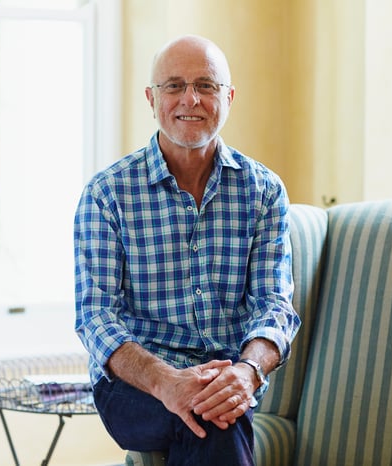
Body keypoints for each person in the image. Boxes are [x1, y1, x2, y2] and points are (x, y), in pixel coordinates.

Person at [73, 34, 300, 465]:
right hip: (132, 387)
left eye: (206, 86)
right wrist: (167, 381)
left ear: (229, 97)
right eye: (174, 86)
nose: (190, 99)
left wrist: (246, 373)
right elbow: (95, 316)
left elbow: (275, 304)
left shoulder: (264, 191)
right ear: (151, 97)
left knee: (212, 412)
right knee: (212, 414)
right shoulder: (108, 194)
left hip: (226, 376)